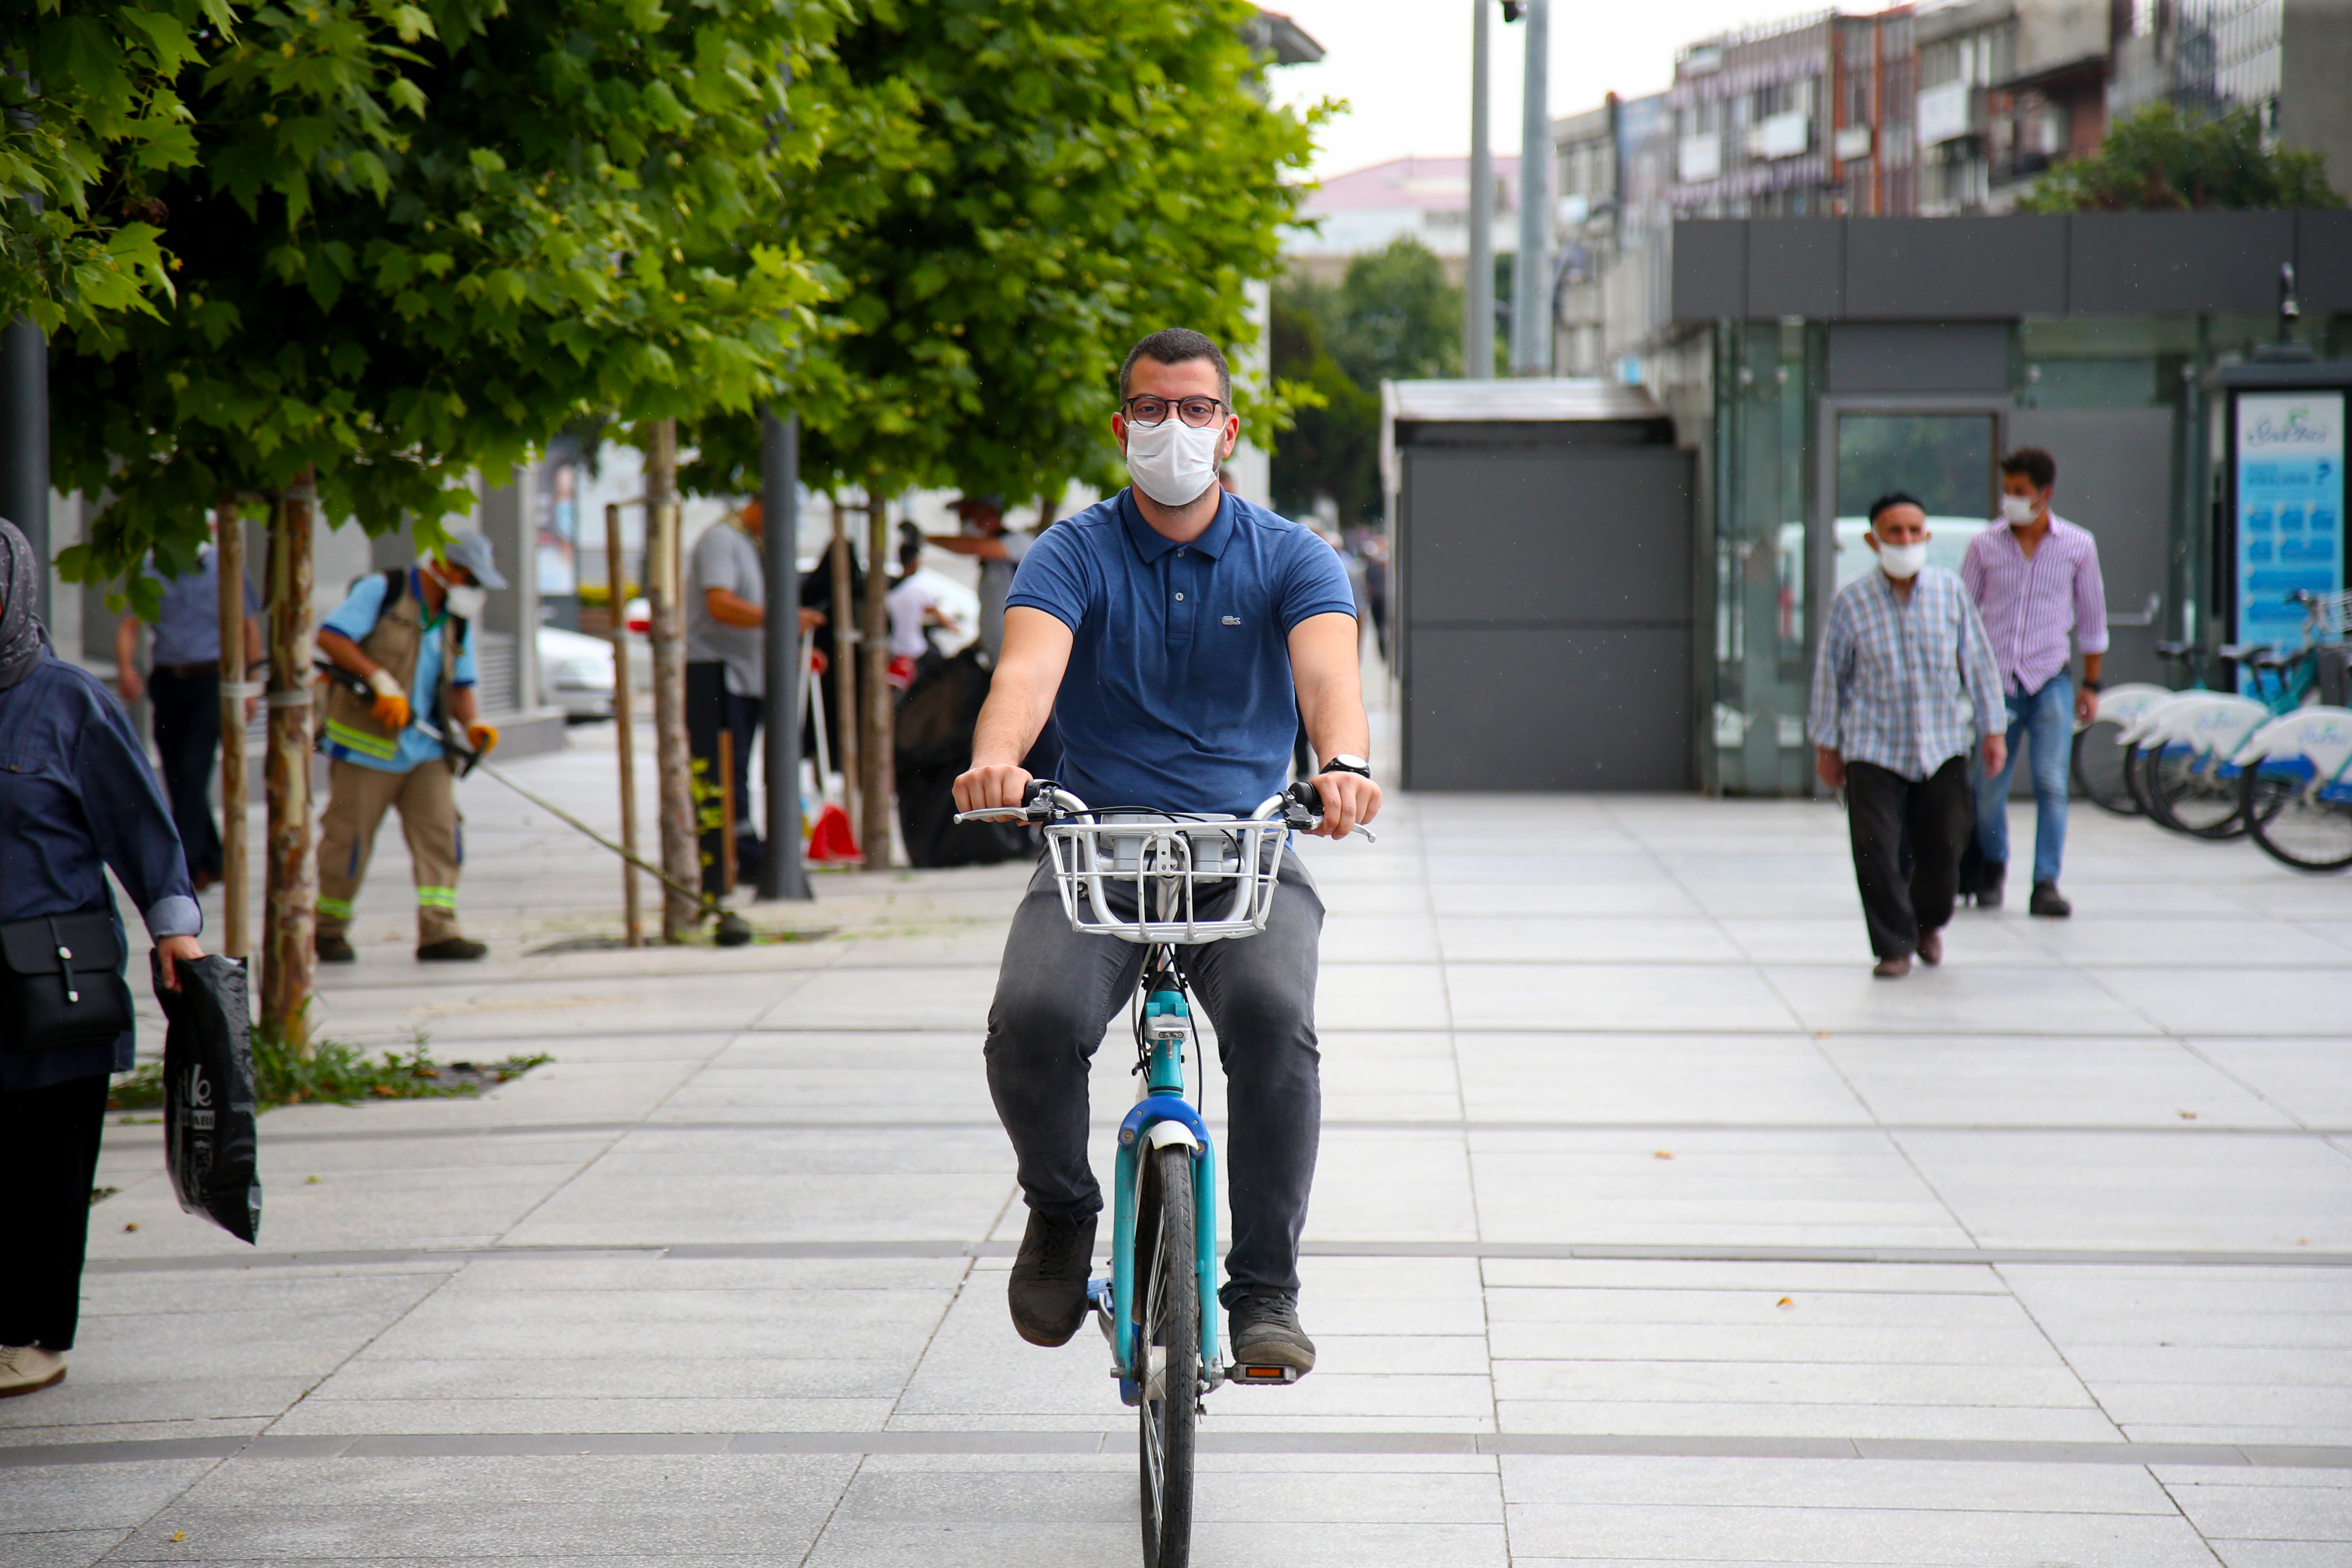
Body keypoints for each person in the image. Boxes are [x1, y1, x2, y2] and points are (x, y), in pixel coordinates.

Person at [953, 328, 1378, 1377]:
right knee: (1034, 1020)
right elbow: (1025, 674)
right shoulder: (1070, 550)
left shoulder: (1289, 554)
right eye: (1150, 409)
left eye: (1194, 409)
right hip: (1096, 846)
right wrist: (997, 760)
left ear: (1228, 429)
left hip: (1246, 848)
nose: (1172, 429)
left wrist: (1345, 762)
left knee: (1278, 1024)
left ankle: (1264, 1287)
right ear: (1120, 427)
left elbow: (1328, 677)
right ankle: (1060, 1207)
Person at [0, 518, 206, 1398]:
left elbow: (139, 822)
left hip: (51, 976)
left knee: (46, 1160)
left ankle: (33, 1332)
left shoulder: (69, 702)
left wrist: (174, 928)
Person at [1808, 494, 2007, 979]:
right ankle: (1893, 946)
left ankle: (1927, 922)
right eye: (1894, 531)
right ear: (1873, 539)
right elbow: (1830, 675)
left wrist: (1993, 728)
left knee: (1945, 845)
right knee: (1875, 848)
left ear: (1927, 536)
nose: (1905, 540)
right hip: (1872, 746)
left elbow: (1977, 662)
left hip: (1941, 744)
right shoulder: (1851, 601)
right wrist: (1826, 744)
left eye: (1913, 530)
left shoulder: (1950, 592)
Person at [313, 534, 506, 962]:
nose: (473, 590)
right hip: (367, 749)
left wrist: (472, 724)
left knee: (442, 835)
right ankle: (326, 930)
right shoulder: (384, 591)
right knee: (348, 843)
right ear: (442, 565)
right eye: (469, 578)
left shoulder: (456, 618)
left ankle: (440, 931)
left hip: (426, 750)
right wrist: (380, 682)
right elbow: (332, 638)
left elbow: (460, 684)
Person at [1961, 446, 2108, 918]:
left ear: (2045, 494)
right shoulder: (1984, 545)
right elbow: (1960, 614)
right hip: (1996, 683)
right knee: (1988, 787)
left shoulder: (2078, 546)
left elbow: (2092, 620)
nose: (2011, 501)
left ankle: (2045, 881)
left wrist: (2091, 684)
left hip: (2051, 680)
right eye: (2006, 492)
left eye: (2020, 493)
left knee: (2051, 783)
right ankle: (1993, 863)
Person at [113, 523, 263, 890]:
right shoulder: (150, 569)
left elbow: (249, 628)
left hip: (212, 680)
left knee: (195, 770)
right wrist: (126, 668)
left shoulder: (226, 568)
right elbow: (130, 625)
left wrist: (250, 685)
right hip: (167, 680)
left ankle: (188, 868)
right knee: (179, 776)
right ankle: (215, 859)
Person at [686, 501, 769, 892]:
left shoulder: (750, 543)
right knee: (724, 770)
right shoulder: (721, 539)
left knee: (738, 770)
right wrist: (781, 618)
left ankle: (743, 849)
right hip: (718, 674)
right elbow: (720, 604)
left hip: (746, 677)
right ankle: (728, 858)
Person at [927, 494, 1031, 661]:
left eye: (968, 517)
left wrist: (927, 539)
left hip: (1021, 661)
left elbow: (978, 547)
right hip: (998, 661)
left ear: (989, 514)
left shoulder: (1018, 543)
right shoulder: (991, 563)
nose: (963, 525)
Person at [885, 540, 954, 691]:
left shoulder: (889, 587)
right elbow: (939, 617)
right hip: (913, 648)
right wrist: (953, 627)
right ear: (915, 562)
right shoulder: (918, 588)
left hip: (891, 647)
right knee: (942, 676)